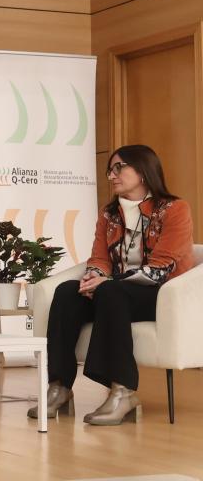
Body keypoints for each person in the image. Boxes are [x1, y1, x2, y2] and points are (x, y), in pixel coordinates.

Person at [31, 145, 193, 425]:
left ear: (143, 171)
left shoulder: (174, 209)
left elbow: (162, 266)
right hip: (114, 294)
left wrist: (105, 281)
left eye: (119, 168)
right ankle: (59, 386)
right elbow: (100, 258)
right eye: (110, 170)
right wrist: (92, 277)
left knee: (110, 290)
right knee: (67, 292)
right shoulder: (110, 214)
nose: (111, 175)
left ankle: (123, 392)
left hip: (161, 294)